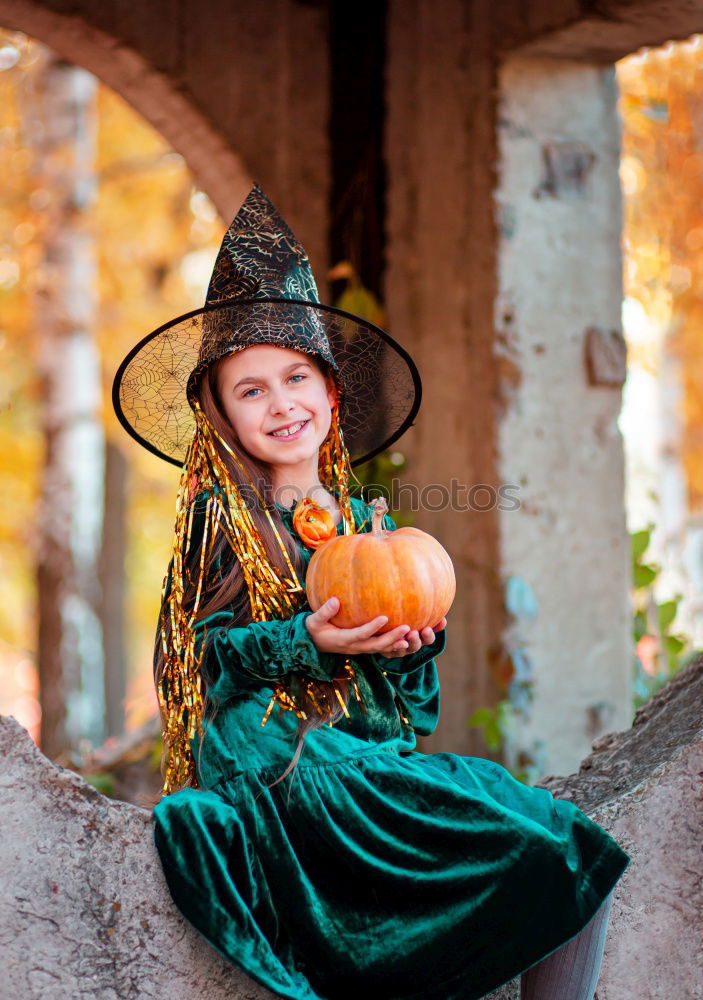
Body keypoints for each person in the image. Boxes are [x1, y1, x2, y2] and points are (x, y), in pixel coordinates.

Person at [112, 184, 631, 1000]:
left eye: (295, 379)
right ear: (218, 412)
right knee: (524, 841)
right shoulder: (224, 516)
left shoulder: (365, 524)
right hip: (278, 759)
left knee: (565, 844)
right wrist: (304, 642)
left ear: (331, 393)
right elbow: (206, 663)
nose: (280, 403)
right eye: (251, 390)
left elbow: (409, 716)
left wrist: (410, 649)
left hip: (361, 752)